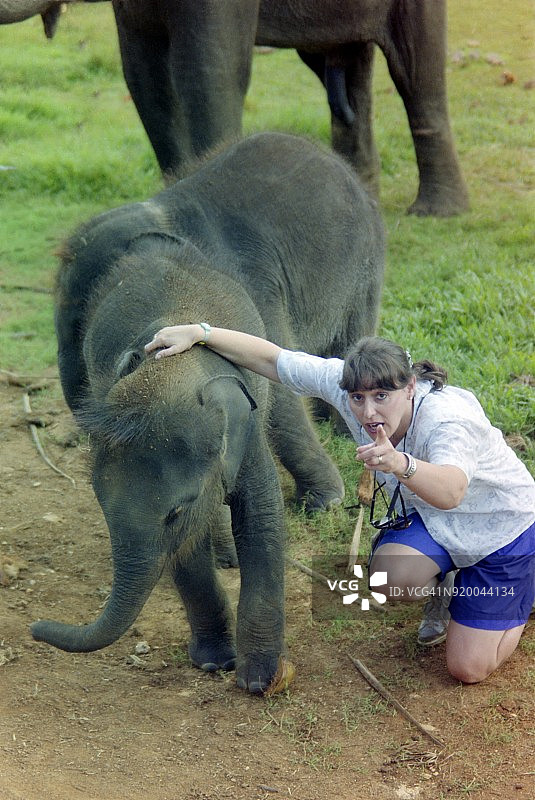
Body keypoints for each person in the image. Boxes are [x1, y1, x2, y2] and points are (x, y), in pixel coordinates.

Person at [144, 324, 535, 684]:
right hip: (436, 520)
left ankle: (523, 587)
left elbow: (452, 492)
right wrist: (201, 332)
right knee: (389, 579)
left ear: (410, 388)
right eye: (358, 398)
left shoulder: (448, 421)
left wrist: (400, 463)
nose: (368, 412)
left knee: (468, 669)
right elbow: (274, 360)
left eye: (382, 397)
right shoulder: (349, 386)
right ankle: (448, 589)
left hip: (503, 531)